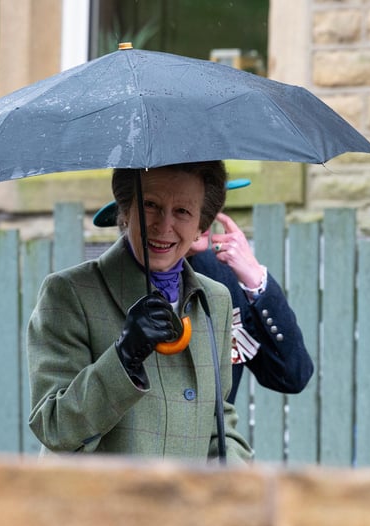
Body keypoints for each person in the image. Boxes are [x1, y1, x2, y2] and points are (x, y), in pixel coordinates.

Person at [27, 161, 253, 465]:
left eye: (183, 211)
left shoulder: (215, 299)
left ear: (202, 224)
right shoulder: (68, 293)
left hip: (184, 508)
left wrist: (237, 484)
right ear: (125, 210)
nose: (163, 225)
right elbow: (54, 428)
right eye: (150, 204)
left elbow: (219, 419)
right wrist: (123, 358)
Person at [94, 184, 313, 404]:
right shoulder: (100, 288)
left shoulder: (222, 276)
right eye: (182, 208)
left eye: (205, 205)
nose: (203, 217)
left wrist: (255, 280)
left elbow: (291, 376)